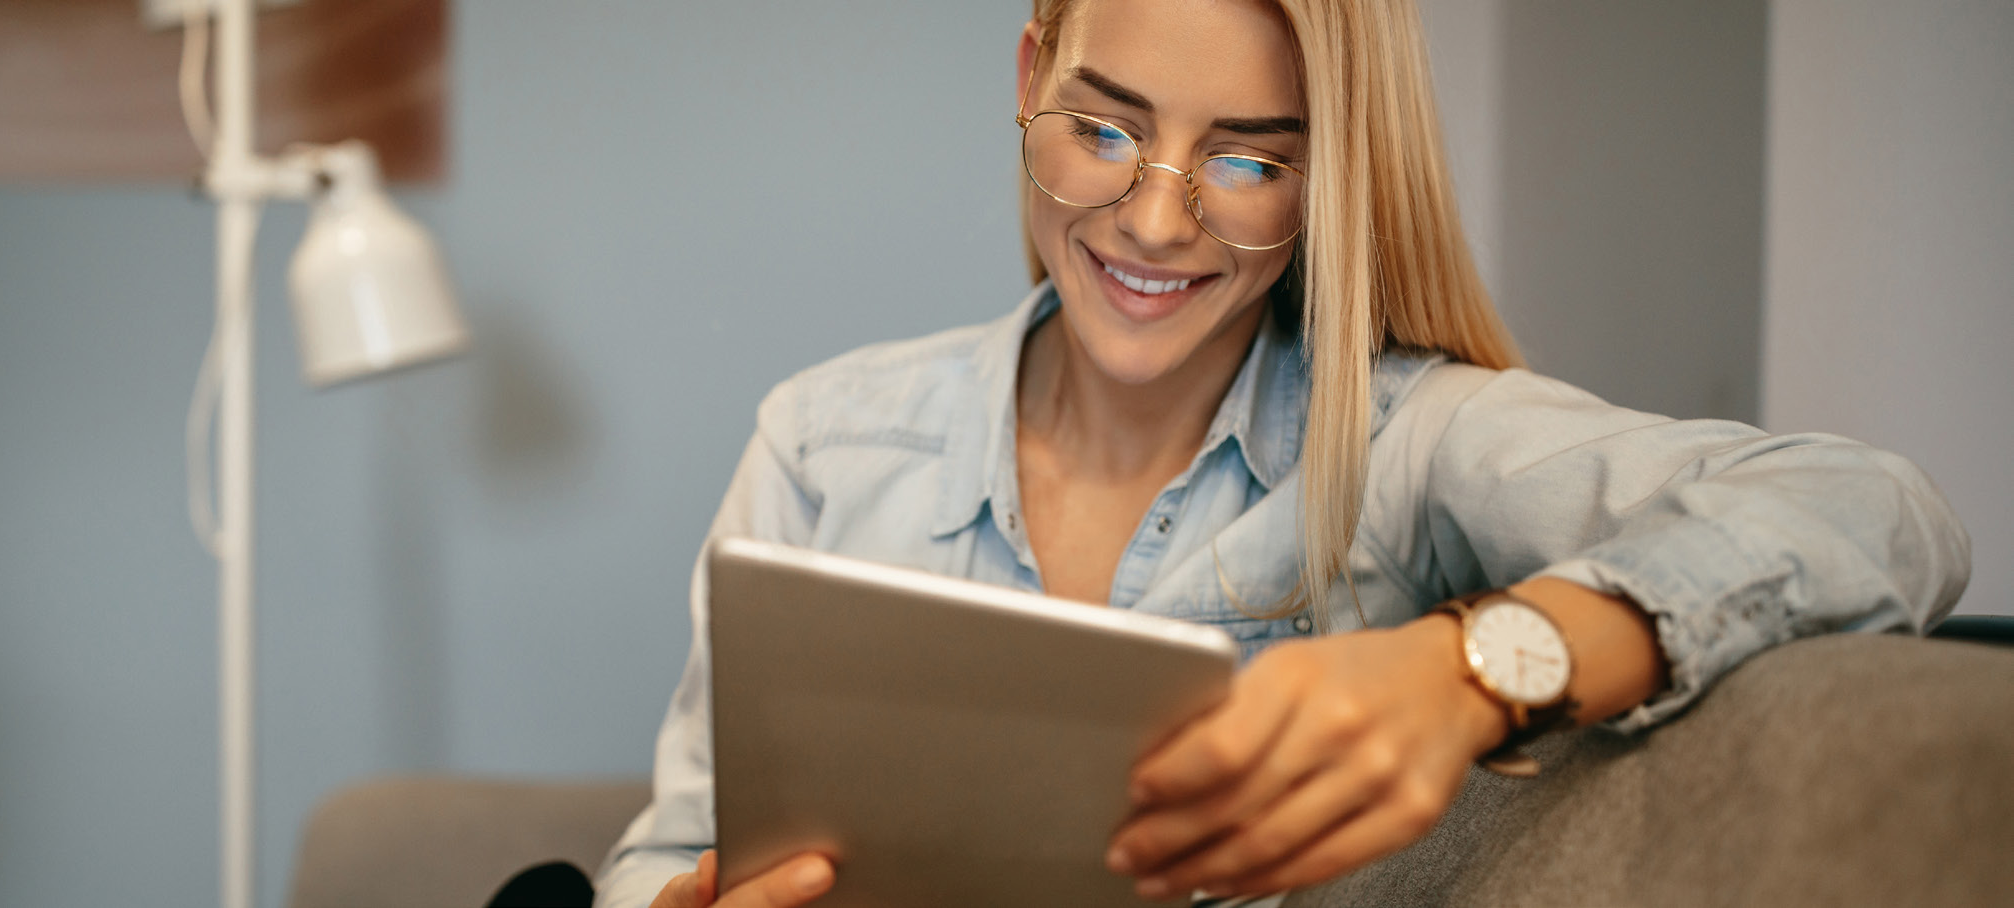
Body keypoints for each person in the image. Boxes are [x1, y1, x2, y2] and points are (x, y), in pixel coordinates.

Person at [587, 0, 1972, 906]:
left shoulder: (1404, 441)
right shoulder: (826, 444)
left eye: (1249, 161)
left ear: (1331, 178)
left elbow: (1877, 512)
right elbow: (674, 838)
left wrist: (1475, 669)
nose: (1154, 222)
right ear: (1028, 81)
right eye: (1107, 129)